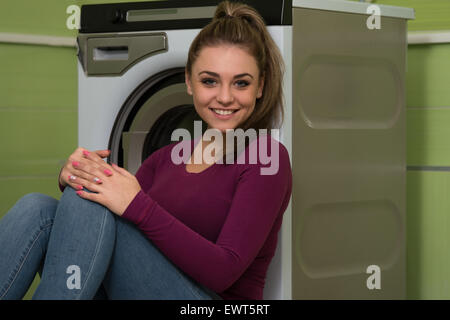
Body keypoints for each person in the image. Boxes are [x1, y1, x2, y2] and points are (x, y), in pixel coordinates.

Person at [0, 0, 292, 300]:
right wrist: (77, 175)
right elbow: (100, 233)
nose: (225, 97)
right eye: (210, 81)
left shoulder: (266, 158)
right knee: (39, 207)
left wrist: (136, 204)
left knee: (92, 195)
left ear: (260, 87)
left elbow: (223, 272)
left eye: (241, 83)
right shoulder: (164, 159)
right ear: (190, 82)